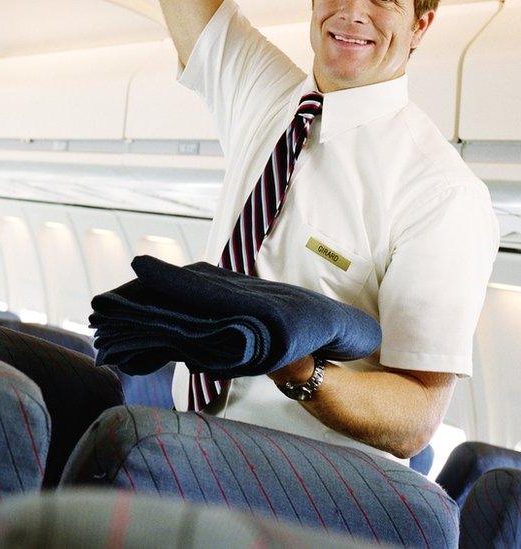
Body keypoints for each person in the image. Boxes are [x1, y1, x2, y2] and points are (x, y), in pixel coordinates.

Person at [159, 0, 499, 463]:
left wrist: (295, 367)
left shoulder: (442, 193)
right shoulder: (265, 93)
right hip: (185, 438)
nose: (353, 12)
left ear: (419, 26)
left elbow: (415, 416)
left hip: (302, 486)